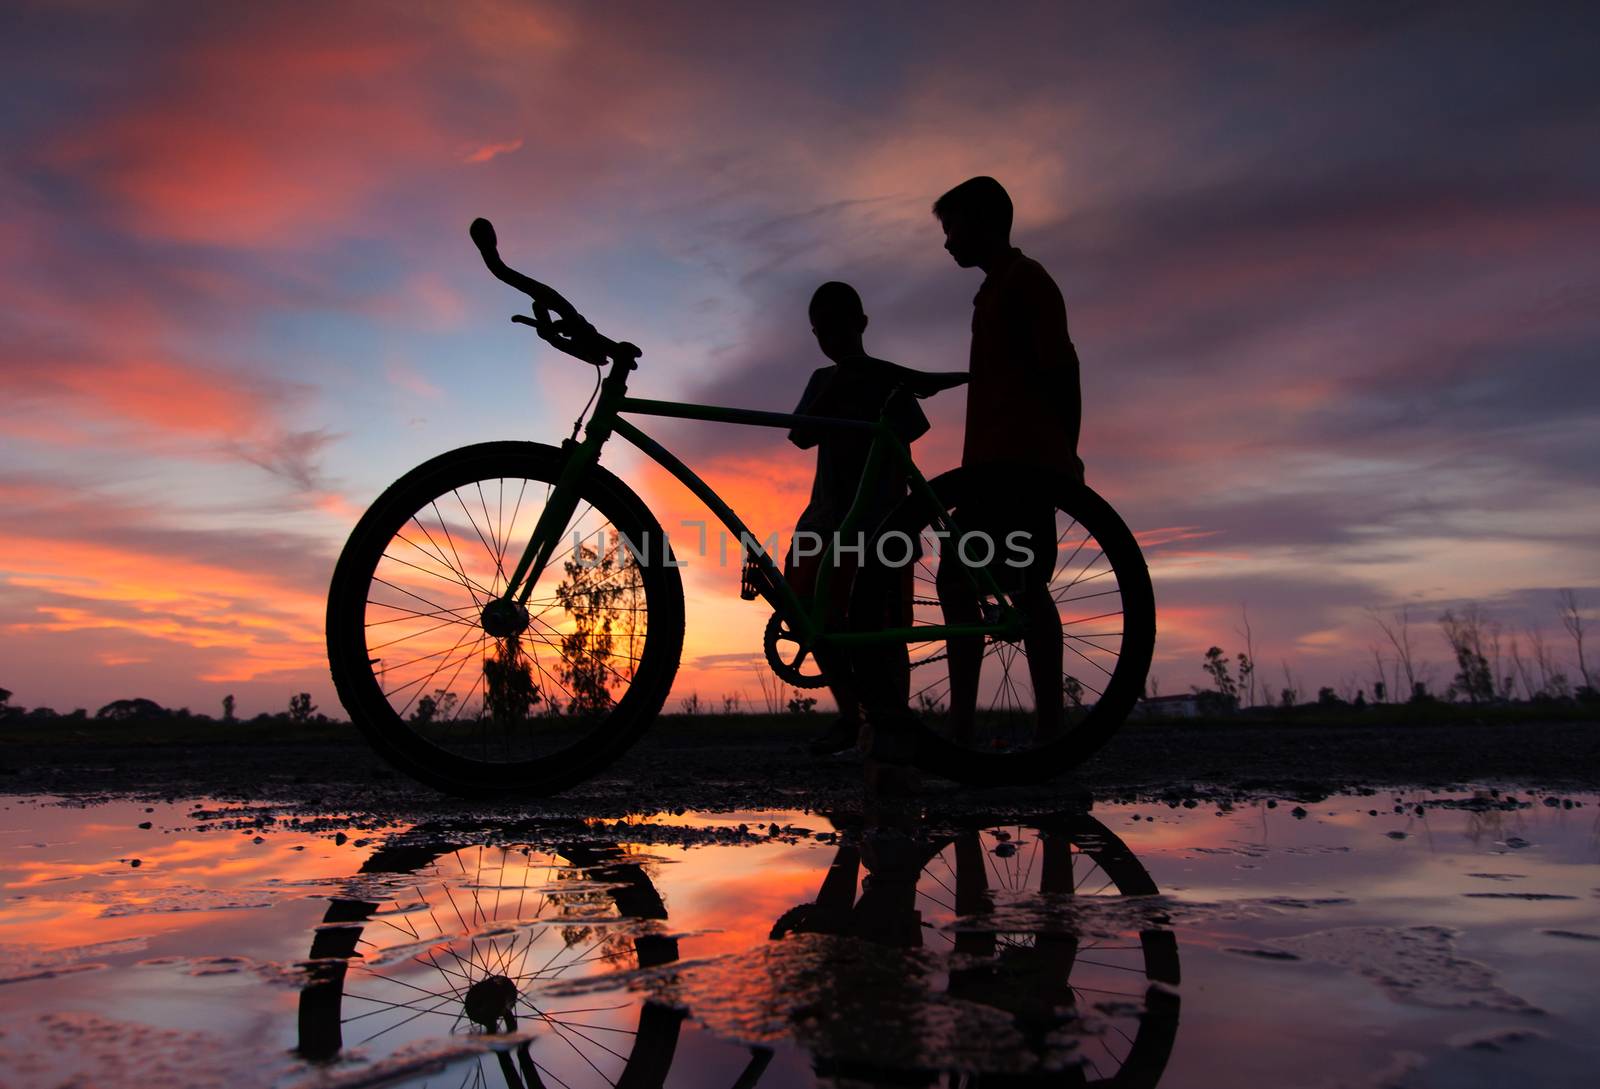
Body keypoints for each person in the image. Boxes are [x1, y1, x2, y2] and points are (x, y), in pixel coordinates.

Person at [932, 175, 1082, 749]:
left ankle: (1044, 728)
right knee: (964, 581)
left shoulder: (1027, 281)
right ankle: (967, 725)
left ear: (984, 221)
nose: (947, 244)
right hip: (988, 467)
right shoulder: (993, 290)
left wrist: (1065, 453)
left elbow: (1063, 371)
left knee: (1021, 584)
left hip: (1020, 465)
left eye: (953, 230)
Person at [785, 281, 930, 756]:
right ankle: (852, 713)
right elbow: (801, 436)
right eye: (820, 331)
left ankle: (893, 723)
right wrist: (839, 384)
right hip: (825, 516)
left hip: (883, 515)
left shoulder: (886, 378)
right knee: (810, 612)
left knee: (886, 627)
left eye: (839, 326)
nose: (830, 337)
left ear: (861, 324)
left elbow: (910, 429)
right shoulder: (820, 379)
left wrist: (870, 385)